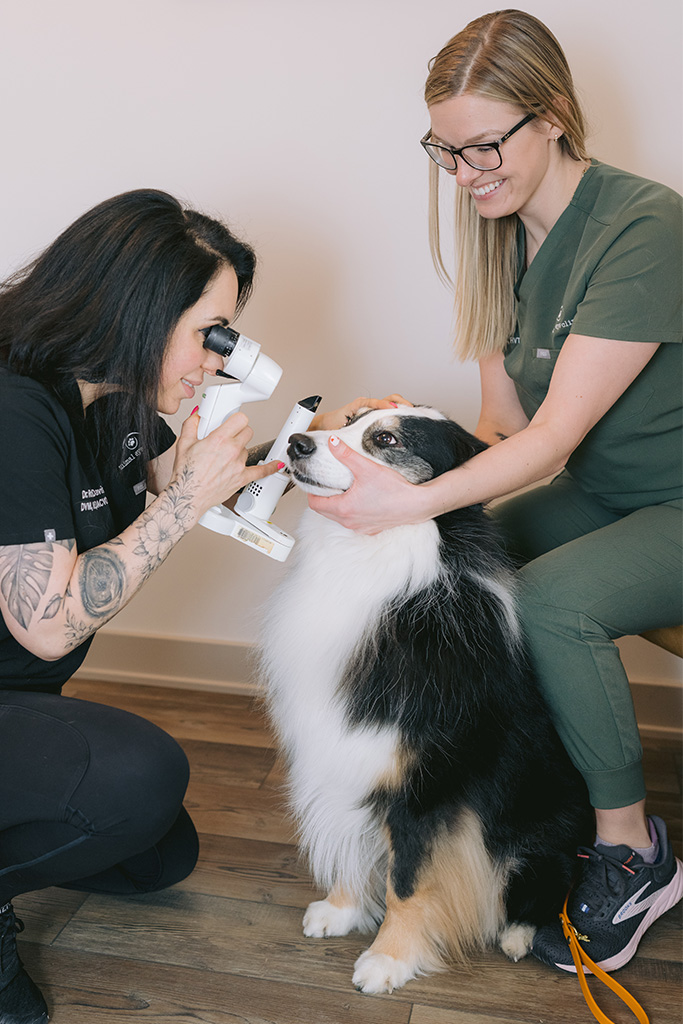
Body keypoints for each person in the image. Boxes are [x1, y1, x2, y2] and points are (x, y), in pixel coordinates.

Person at [307, 10, 683, 975]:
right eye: (447, 150)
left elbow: (550, 439)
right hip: (609, 491)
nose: (467, 173)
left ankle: (630, 851)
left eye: (484, 146)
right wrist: (395, 446)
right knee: (473, 564)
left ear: (552, 116)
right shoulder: (495, 237)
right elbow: (505, 430)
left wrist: (402, 501)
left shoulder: (646, 228)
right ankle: (499, 803)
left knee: (550, 603)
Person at [0, 188, 396, 1024]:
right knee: (138, 777)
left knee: (156, 852)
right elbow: (45, 626)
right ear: (139, 309)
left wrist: (312, 443)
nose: (216, 361)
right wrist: (182, 508)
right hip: (22, 675)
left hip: (17, 700)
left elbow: (180, 489)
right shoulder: (14, 407)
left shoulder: (106, 400)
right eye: (207, 335)